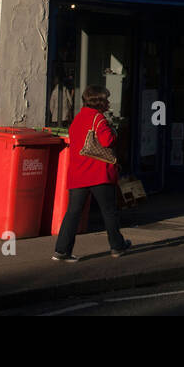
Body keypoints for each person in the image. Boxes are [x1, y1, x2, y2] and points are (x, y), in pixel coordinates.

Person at [53, 86, 133, 262]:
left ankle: (61, 250)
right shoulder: (99, 119)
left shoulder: (78, 118)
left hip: (78, 173)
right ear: (100, 101)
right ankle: (117, 247)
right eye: (107, 99)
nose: (109, 102)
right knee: (109, 212)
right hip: (98, 173)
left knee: (72, 213)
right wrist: (113, 131)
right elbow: (107, 141)